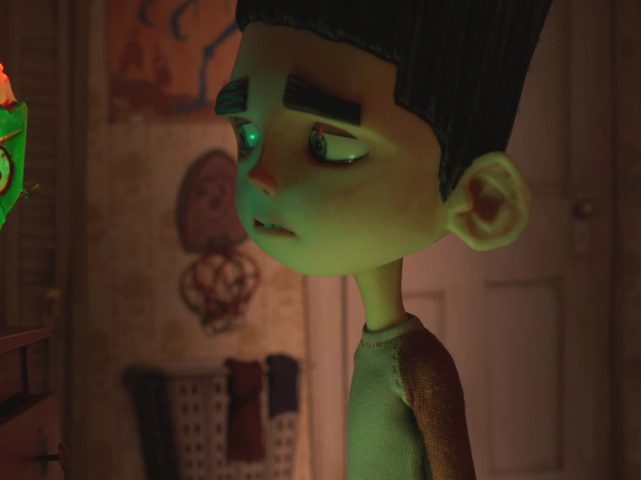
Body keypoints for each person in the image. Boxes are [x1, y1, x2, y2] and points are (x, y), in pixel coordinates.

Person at [215, 1, 555, 478]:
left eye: (326, 145)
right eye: (247, 136)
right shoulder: (383, 352)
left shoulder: (420, 366)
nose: (260, 176)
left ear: (481, 199)